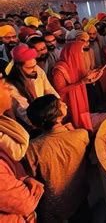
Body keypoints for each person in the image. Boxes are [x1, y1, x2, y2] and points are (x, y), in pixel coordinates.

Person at [25, 95, 89, 223]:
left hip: (53, 207)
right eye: (60, 104)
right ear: (58, 116)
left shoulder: (32, 148)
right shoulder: (81, 135)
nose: (65, 103)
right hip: (79, 197)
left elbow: (30, 176)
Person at [0, 76, 44, 222]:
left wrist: (24, 177)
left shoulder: (5, 131)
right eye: (1, 82)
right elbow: (26, 203)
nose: (7, 86)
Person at [52, 41, 104, 131]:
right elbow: (60, 91)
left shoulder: (75, 63)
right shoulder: (59, 70)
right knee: (74, 122)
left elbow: (83, 79)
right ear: (72, 53)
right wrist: (81, 82)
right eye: (80, 53)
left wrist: (94, 76)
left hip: (79, 96)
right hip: (68, 102)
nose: (81, 55)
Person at [7, 44, 59, 130]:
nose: (35, 69)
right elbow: (26, 114)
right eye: (30, 67)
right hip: (34, 126)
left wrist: (58, 106)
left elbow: (49, 90)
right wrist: (50, 119)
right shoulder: (11, 87)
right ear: (18, 68)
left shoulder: (37, 70)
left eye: (35, 65)